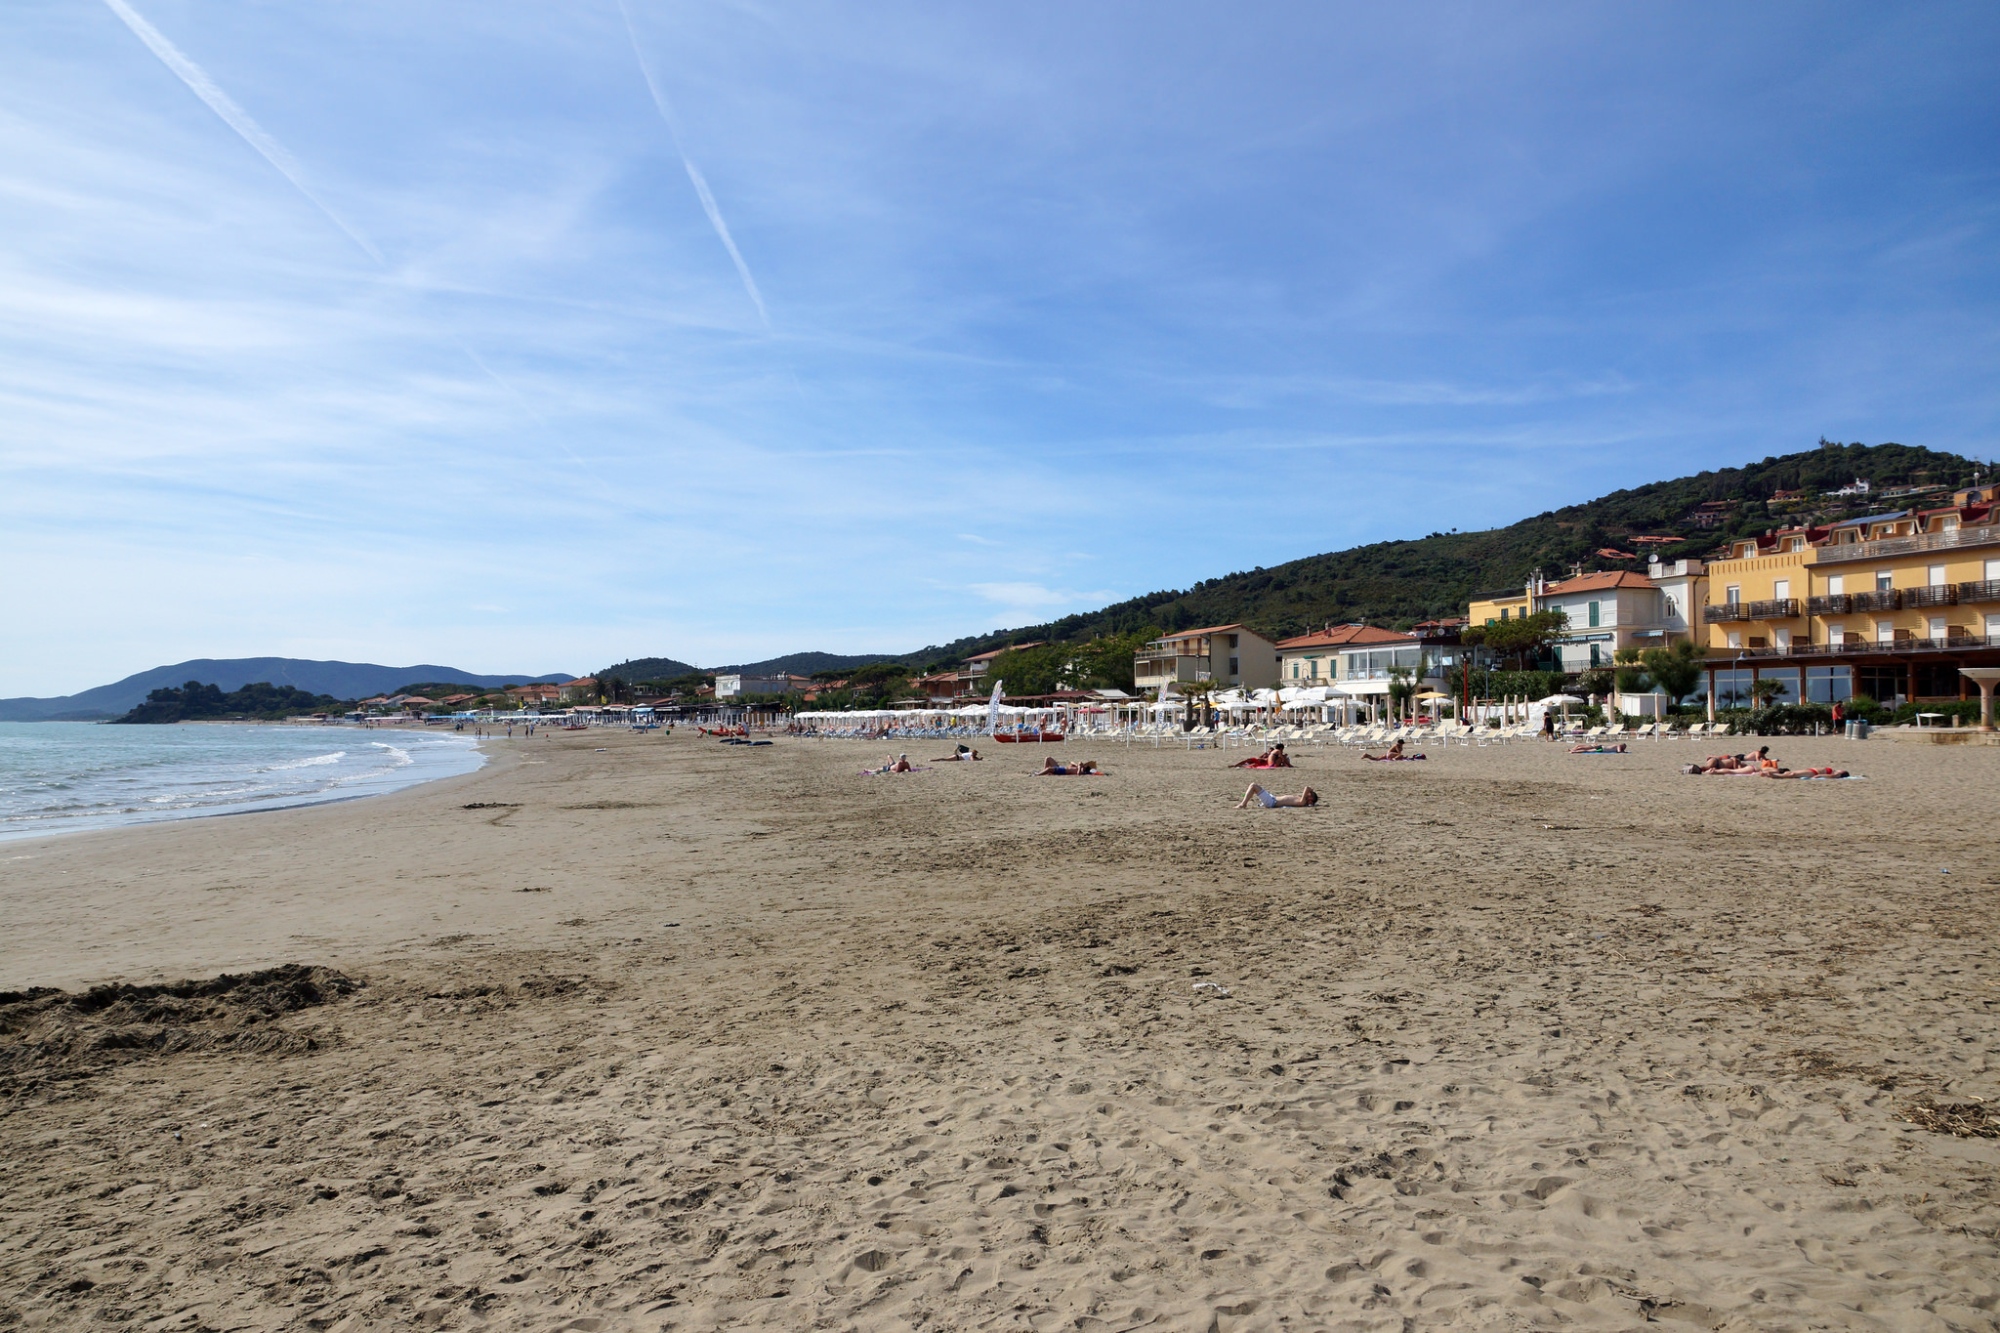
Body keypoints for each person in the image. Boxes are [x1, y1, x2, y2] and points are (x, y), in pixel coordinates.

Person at [1236, 783, 1319, 808]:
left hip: (1272, 802)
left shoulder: (1302, 801)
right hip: (1272, 798)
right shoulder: (1302, 799)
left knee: (1253, 786)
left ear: (1311, 799)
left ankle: (1243, 804)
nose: (1308, 794)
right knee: (1254, 788)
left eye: (1310, 794)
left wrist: (1311, 790)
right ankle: (1244, 802)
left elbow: (1306, 787)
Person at [1034, 757, 1101, 775]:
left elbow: (1078, 774)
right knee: (1047, 758)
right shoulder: (1078, 766)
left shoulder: (1081, 771)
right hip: (1061, 767)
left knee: (1049, 769)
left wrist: (1080, 767)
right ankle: (1044, 772)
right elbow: (1071, 762)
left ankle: (1039, 774)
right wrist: (1077, 765)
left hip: (1063, 771)